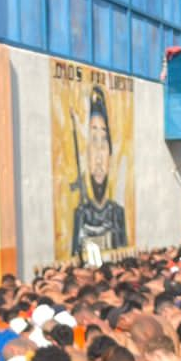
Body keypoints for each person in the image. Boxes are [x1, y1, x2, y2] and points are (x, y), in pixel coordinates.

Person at [69, 85, 129, 258]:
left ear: (110, 153)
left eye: (103, 143)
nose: (98, 157)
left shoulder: (116, 213)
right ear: (86, 152)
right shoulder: (81, 214)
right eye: (93, 142)